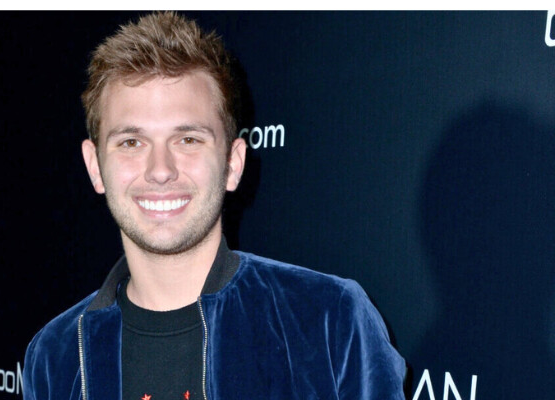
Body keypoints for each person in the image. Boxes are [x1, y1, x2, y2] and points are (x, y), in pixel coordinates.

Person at [23, 11, 406, 400]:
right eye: (131, 142)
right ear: (95, 167)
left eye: (188, 139)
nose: (160, 170)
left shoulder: (329, 323)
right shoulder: (54, 356)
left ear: (233, 163)